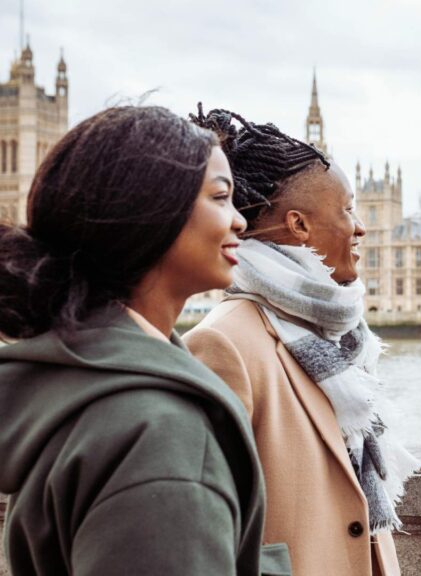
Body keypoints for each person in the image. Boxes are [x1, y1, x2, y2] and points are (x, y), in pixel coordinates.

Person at [0, 106, 287, 575]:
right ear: (151, 212)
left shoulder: (74, 384)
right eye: (220, 196)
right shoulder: (162, 432)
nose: (239, 221)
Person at [184, 106, 417, 576]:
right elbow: (204, 532)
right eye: (348, 210)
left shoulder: (344, 336)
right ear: (299, 225)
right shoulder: (222, 342)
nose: (361, 226)